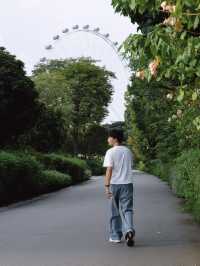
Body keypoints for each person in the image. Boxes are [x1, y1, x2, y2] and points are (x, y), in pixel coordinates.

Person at [103, 129, 135, 247]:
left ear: (115, 138)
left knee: (115, 211)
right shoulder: (128, 151)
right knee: (128, 209)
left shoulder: (110, 152)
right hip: (127, 184)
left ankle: (115, 236)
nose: (108, 139)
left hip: (115, 185)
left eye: (109, 137)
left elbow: (109, 170)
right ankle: (129, 230)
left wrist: (106, 186)